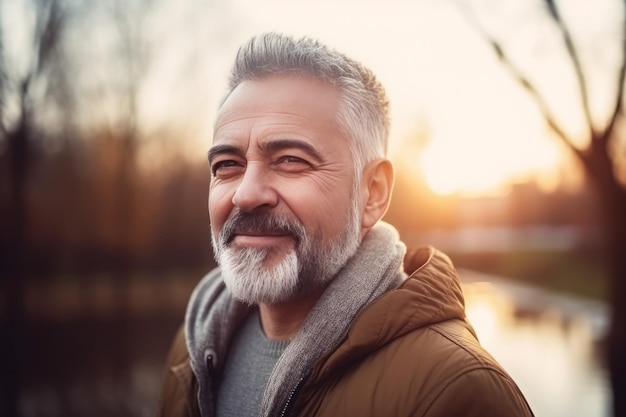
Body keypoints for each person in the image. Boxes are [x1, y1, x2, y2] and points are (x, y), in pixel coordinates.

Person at [157, 32, 534, 417]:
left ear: (372, 193)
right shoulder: (192, 349)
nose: (246, 194)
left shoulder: (456, 390)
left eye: (290, 159)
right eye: (227, 165)